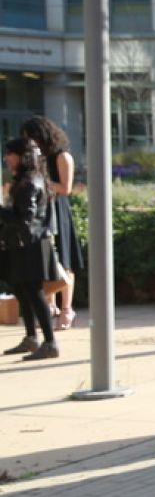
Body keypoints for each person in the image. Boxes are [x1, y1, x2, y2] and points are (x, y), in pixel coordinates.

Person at [20, 117, 82, 330]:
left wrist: (40, 182)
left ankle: (66, 308)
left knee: (64, 258)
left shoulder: (62, 156)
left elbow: (66, 188)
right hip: (41, 208)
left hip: (57, 208)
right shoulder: (36, 158)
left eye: (32, 137)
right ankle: (50, 306)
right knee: (45, 259)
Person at [2, 139, 61, 360]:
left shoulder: (29, 183)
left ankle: (49, 342)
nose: (7, 158)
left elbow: (24, 219)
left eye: (10, 154)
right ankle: (32, 338)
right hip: (27, 243)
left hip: (31, 244)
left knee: (33, 293)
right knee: (24, 291)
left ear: (22, 156)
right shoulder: (29, 180)